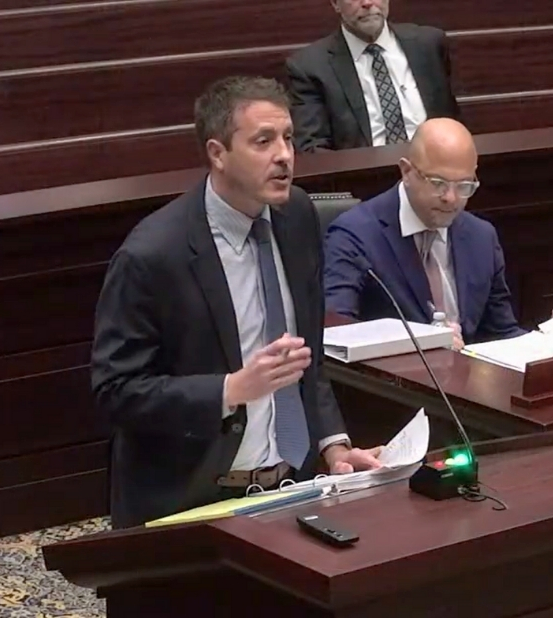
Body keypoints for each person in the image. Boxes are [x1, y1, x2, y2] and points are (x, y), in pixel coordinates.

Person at [92, 76, 383, 529]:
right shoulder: (153, 255)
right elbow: (117, 392)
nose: (285, 155)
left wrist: (334, 446)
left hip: (293, 488)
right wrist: (229, 391)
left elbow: (307, 359)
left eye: (288, 138)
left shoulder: (298, 216)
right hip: (194, 500)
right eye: (263, 141)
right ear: (217, 153)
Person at [323, 118, 526, 348]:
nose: (451, 197)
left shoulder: (481, 237)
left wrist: (548, 346)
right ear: (407, 171)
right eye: (438, 183)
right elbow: (336, 331)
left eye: (464, 186)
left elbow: (501, 332)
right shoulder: (355, 235)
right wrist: (426, 342)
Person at [286, 0, 460, 153]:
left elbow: (452, 122)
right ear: (335, 3)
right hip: (363, 178)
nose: (367, 3)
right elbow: (312, 148)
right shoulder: (310, 66)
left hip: (434, 171)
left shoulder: (429, 44)